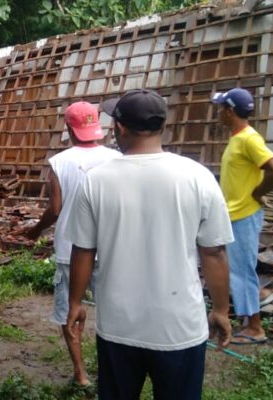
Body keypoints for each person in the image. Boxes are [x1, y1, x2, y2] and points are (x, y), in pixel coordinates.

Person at [65, 89, 233, 399]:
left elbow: (84, 250)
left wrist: (75, 302)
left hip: (118, 326)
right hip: (179, 328)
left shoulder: (96, 181)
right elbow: (214, 252)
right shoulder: (197, 177)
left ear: (121, 128)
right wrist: (221, 309)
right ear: (162, 127)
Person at [23, 101, 121, 386]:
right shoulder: (116, 158)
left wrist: (35, 230)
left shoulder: (60, 162)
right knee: (112, 311)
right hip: (108, 247)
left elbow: (55, 209)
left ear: (69, 128)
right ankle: (113, 371)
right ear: (97, 126)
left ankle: (80, 374)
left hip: (70, 248)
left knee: (70, 310)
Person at [213, 88, 273, 345]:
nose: (219, 113)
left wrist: (257, 193)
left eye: (221, 109)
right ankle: (259, 296)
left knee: (241, 271)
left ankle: (255, 328)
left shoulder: (248, 139)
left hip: (244, 213)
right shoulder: (238, 138)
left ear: (230, 112)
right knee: (237, 268)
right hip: (235, 213)